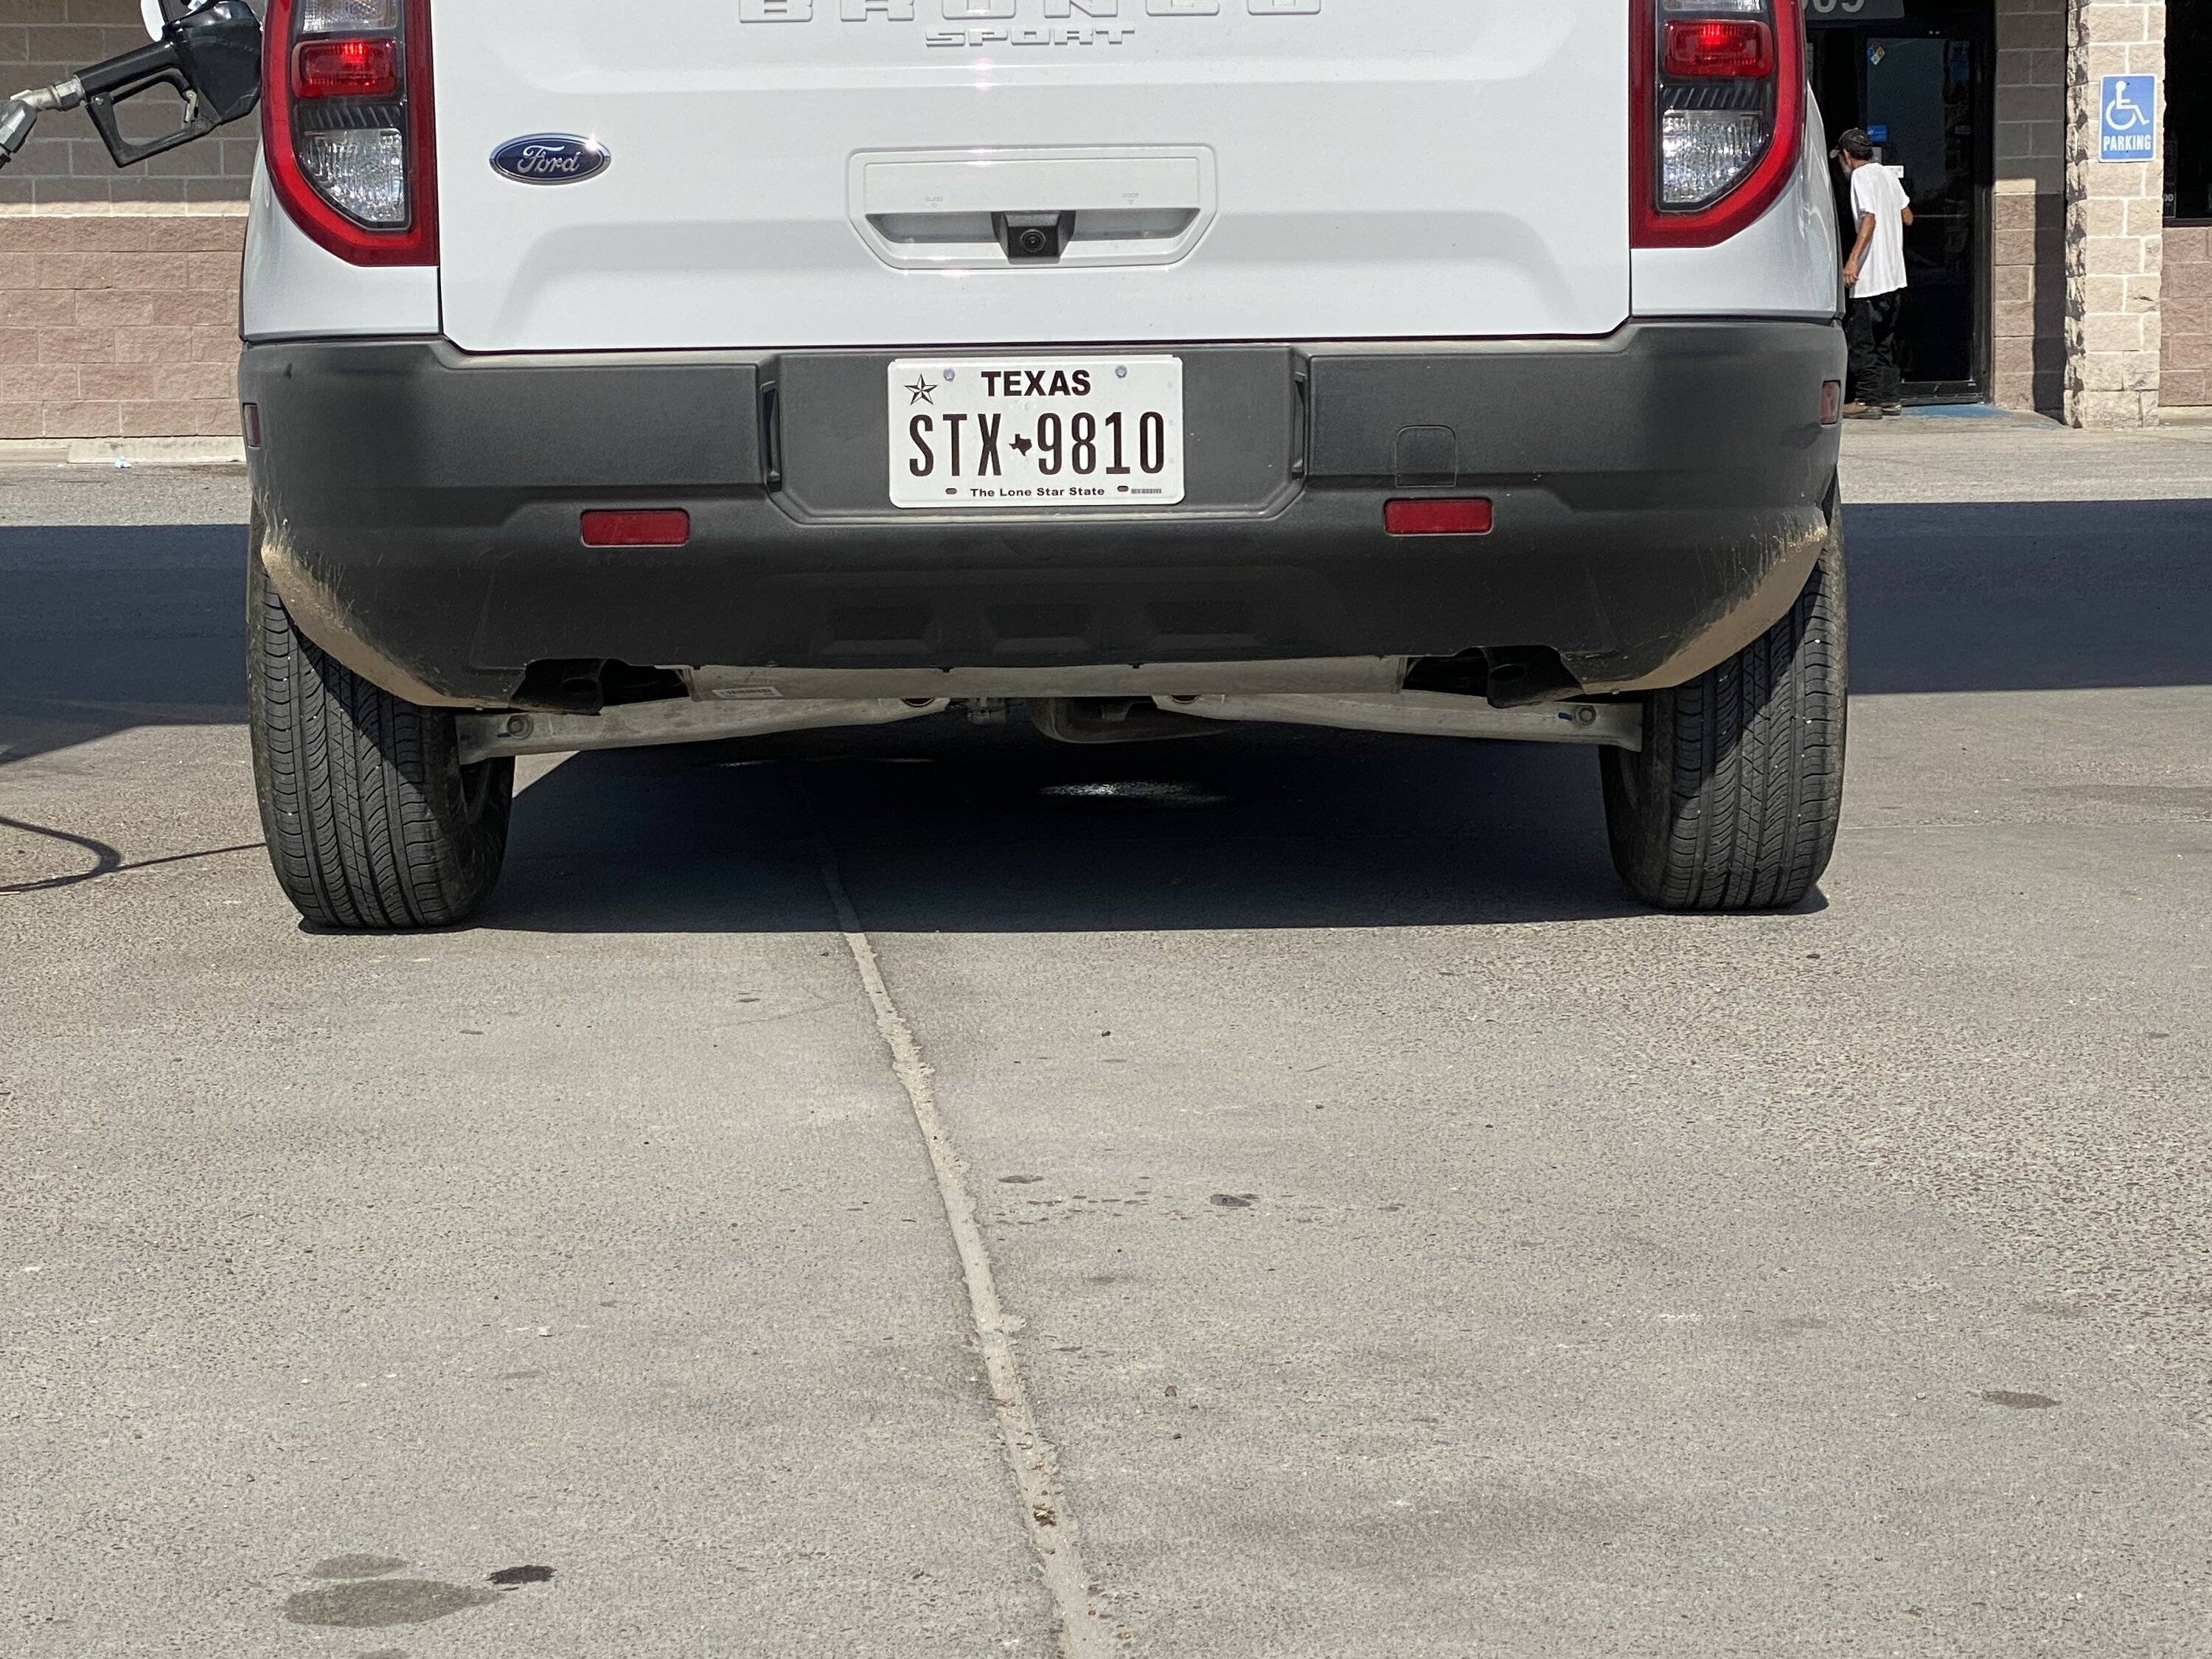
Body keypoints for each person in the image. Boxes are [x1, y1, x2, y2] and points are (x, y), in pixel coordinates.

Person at [1832, 128, 1913, 419]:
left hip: (1871, 279)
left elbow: (1868, 219)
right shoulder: (1887, 176)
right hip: (1895, 276)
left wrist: (1852, 262)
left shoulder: (1861, 177)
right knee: (1885, 341)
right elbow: (1908, 217)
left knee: (1863, 343)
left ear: (1846, 155)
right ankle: (1890, 398)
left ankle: (1867, 400)